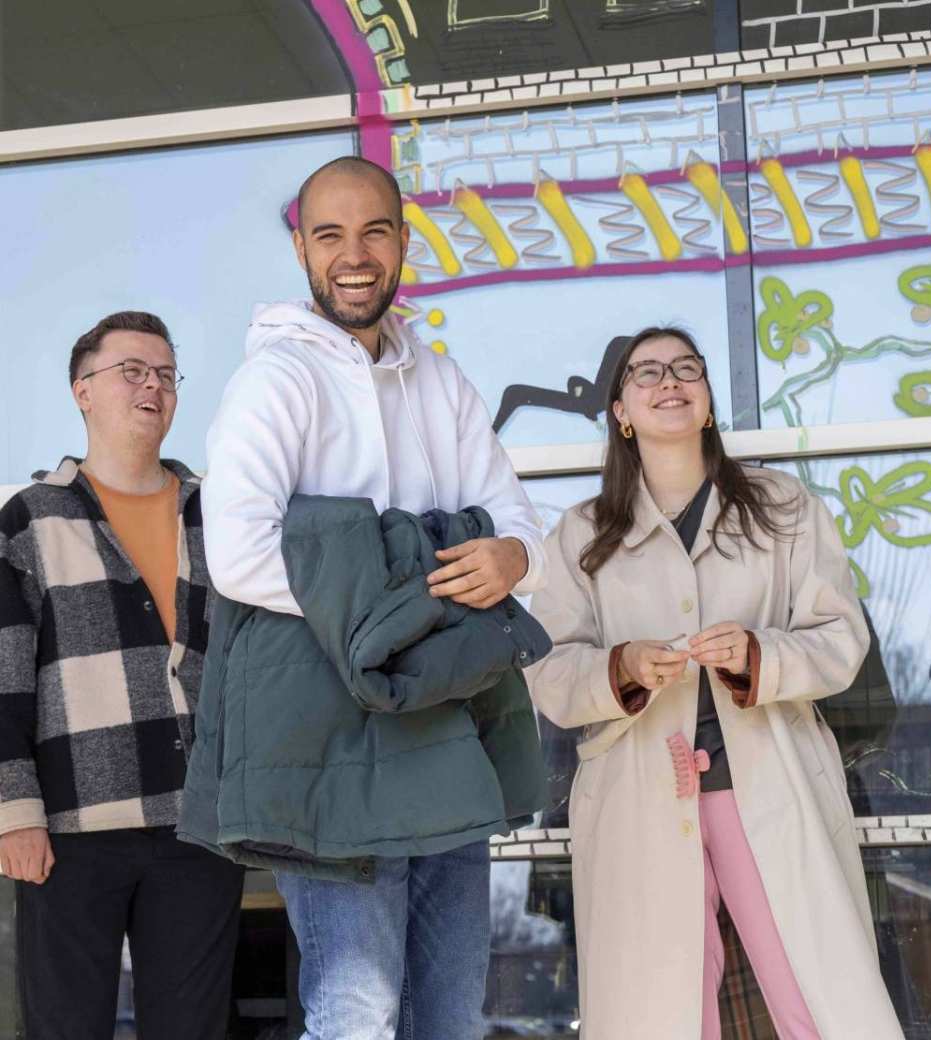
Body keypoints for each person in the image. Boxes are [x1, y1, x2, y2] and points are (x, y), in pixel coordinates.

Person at [198, 156, 546, 1040]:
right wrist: (402, 602)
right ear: (302, 251)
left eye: (374, 231)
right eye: (330, 236)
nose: (354, 255)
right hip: (321, 736)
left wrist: (509, 554)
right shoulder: (274, 381)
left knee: (452, 1015)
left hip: (442, 721)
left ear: (402, 239)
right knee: (356, 1013)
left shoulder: (441, 380)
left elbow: (516, 522)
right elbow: (235, 555)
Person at [524, 326, 905, 1039]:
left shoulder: (783, 507)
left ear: (706, 403)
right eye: (646, 373)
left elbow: (842, 638)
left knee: (815, 996)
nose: (669, 380)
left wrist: (760, 654)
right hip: (639, 790)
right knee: (662, 1009)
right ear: (621, 412)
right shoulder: (580, 533)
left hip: (767, 783)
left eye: (686, 368)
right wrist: (622, 668)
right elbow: (546, 669)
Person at [0, 312, 244, 1040]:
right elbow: (5, 676)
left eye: (167, 375)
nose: (154, 386)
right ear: (82, 390)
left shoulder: (219, 512)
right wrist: (15, 812)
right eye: (132, 370)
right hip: (73, 831)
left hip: (201, 828)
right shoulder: (30, 520)